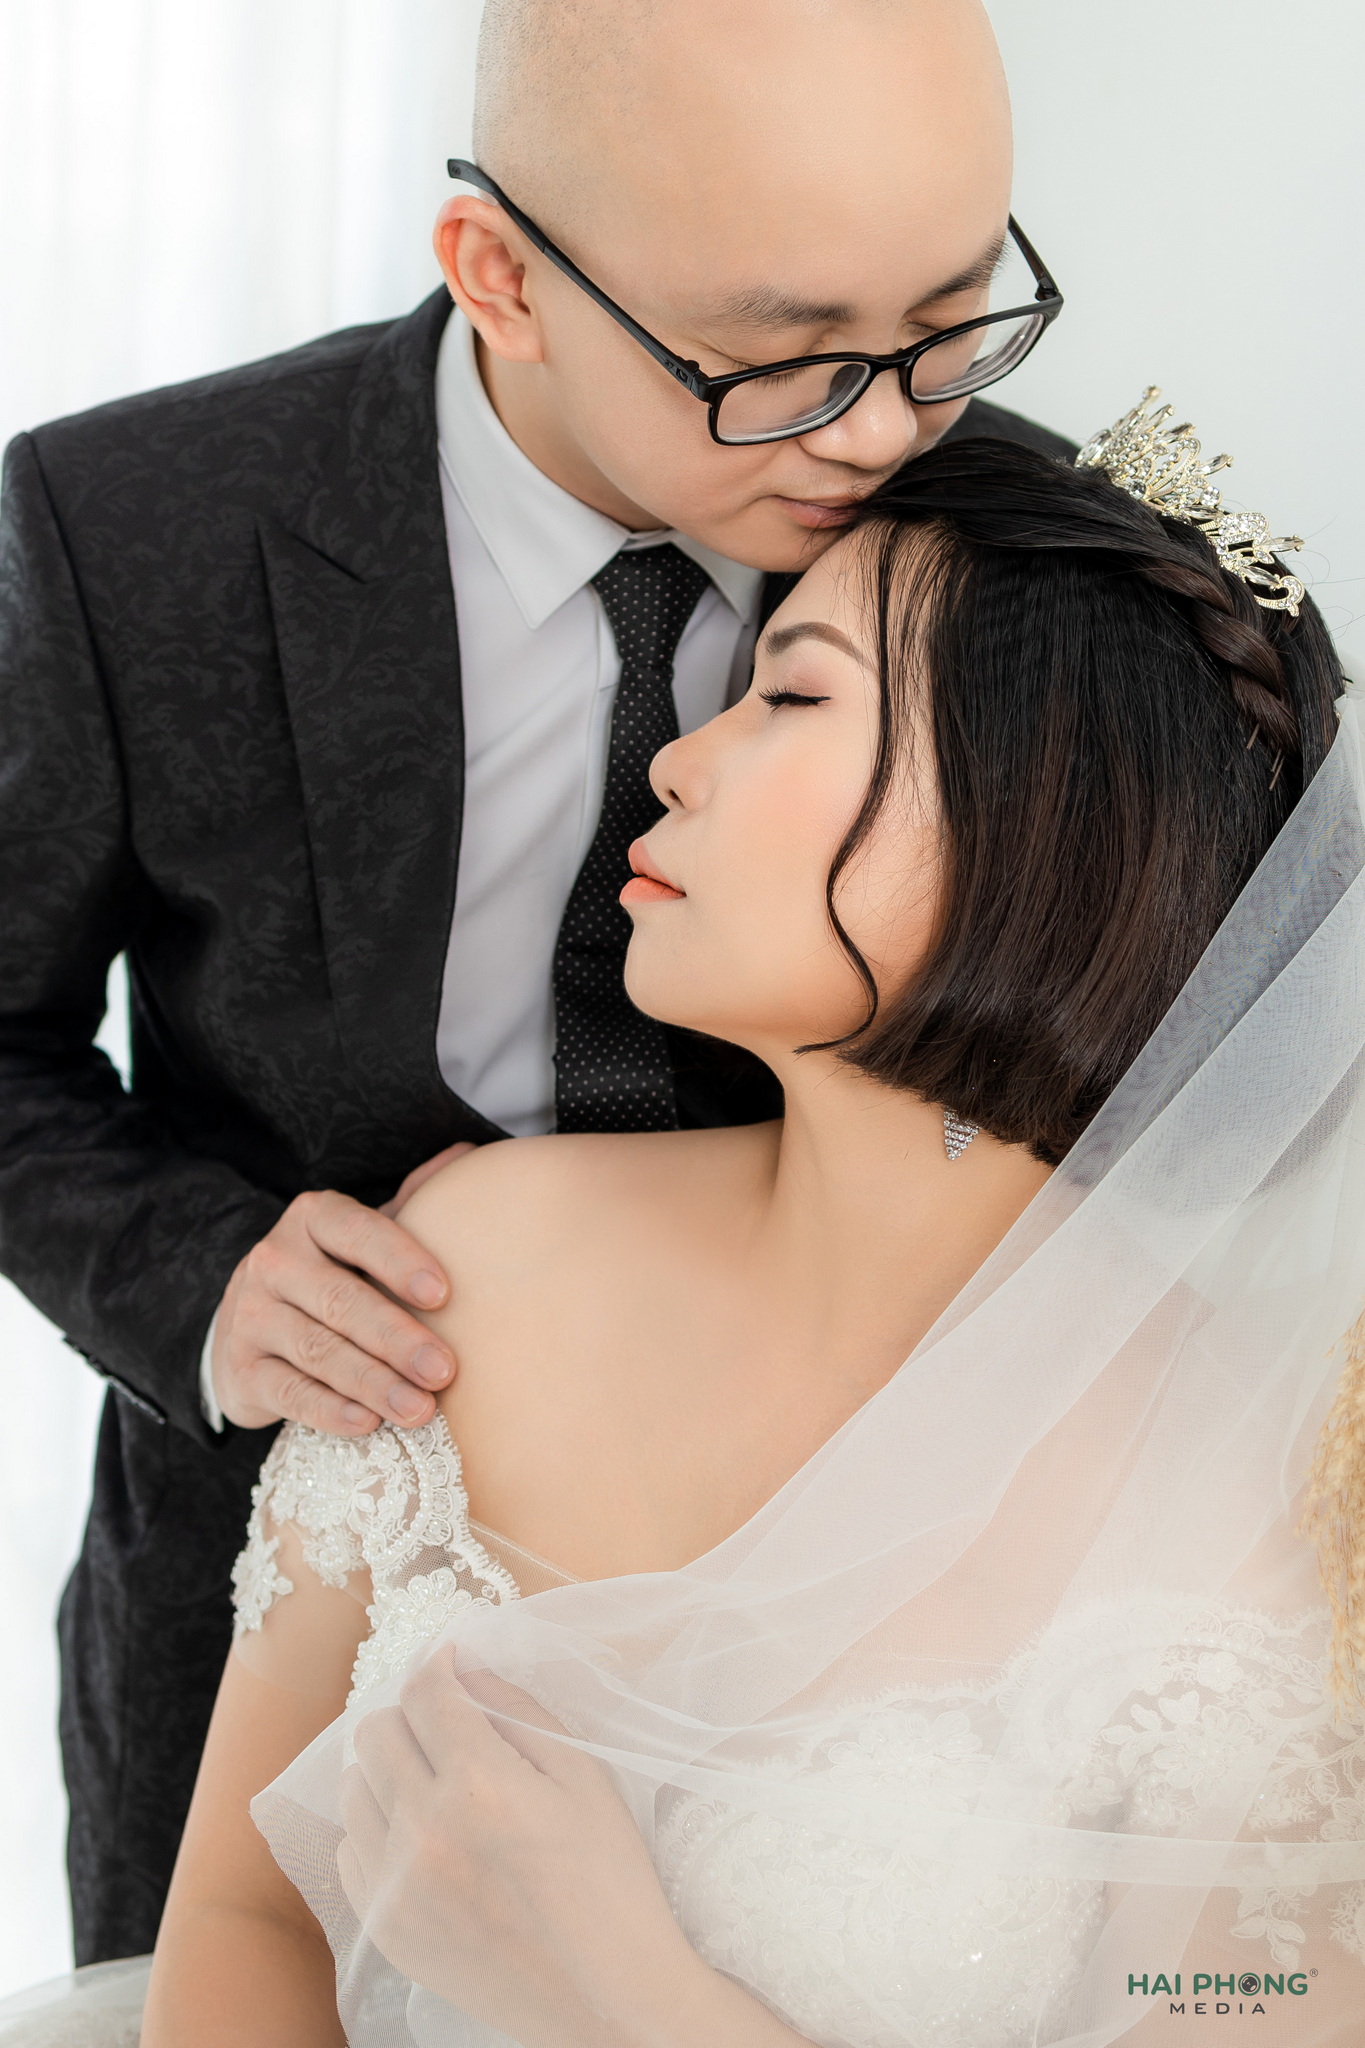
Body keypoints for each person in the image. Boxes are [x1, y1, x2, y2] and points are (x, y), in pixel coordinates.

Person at [9, 402, 1356, 2045]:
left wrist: (613, 1984)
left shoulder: (1246, 1499)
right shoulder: (476, 1253)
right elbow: (241, 1915)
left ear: (1036, 818)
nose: (673, 756)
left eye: (793, 695)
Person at [0, 0, 1073, 1965]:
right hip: (274, 1569)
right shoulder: (135, 525)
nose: (878, 431)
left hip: (834, 1610)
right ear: (498, 272)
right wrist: (196, 1275)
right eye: (778, 359)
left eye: (946, 319)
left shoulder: (1027, 562)